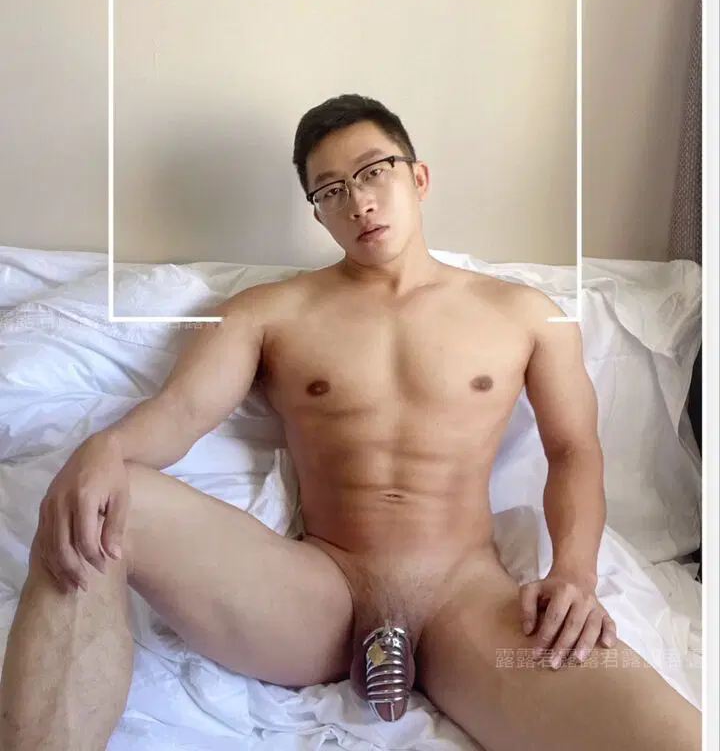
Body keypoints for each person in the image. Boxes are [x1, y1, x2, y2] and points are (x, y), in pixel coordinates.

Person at [0, 94, 701, 751]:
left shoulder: (526, 314)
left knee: (674, 736)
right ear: (318, 213)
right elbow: (181, 413)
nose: (358, 201)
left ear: (418, 178)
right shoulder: (270, 312)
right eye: (330, 190)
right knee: (100, 504)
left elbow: (574, 449)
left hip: (466, 602)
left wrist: (574, 574)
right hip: (316, 595)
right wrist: (105, 449)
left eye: (373, 172)